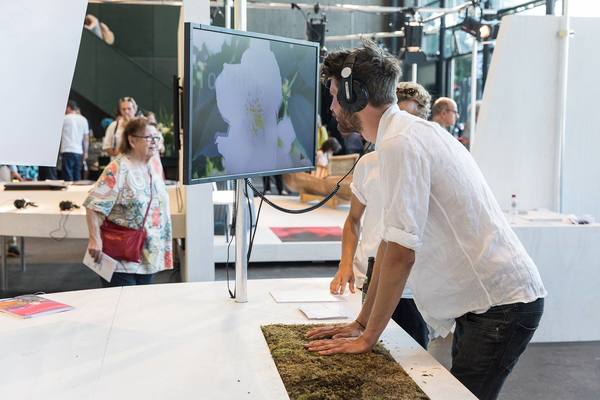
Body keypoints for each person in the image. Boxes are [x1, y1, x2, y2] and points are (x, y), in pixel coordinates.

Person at [306, 41, 546, 400]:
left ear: (357, 96)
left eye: (336, 96)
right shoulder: (404, 134)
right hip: (489, 303)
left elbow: (401, 254)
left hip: (500, 304)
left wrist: (369, 337)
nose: (332, 107)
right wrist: (361, 323)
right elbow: (388, 243)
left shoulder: (401, 143)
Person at [329, 81, 433, 349]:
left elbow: (402, 244)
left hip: (410, 285)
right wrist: (345, 264)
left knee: (411, 357)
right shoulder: (368, 164)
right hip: (371, 278)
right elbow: (353, 220)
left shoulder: (421, 160)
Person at [84, 117, 173, 286]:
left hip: (148, 255)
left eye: (156, 137)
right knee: (123, 301)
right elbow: (93, 205)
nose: (154, 142)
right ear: (132, 140)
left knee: (142, 301)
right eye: (149, 138)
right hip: (120, 257)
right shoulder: (118, 169)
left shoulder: (154, 166)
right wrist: (94, 239)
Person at [60, 100, 90, 181]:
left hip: (67, 150)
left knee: (67, 175)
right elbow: (86, 138)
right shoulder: (83, 119)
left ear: (68, 108)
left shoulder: (64, 118)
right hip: (79, 151)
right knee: (77, 175)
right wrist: (86, 152)